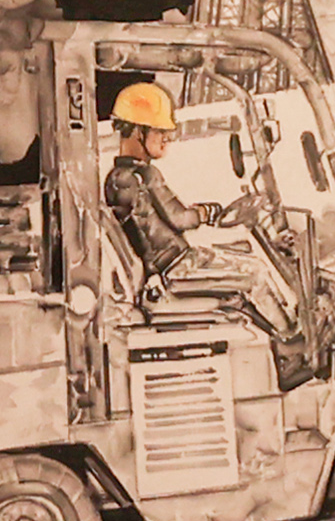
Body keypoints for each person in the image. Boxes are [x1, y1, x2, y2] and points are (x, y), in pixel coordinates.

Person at [98, 76, 313, 372]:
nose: (167, 137)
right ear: (137, 131)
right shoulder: (143, 176)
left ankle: (280, 345)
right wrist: (205, 212)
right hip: (175, 267)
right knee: (255, 273)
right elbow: (179, 218)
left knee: (243, 260)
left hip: (172, 262)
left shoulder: (117, 178)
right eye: (160, 131)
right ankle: (295, 345)